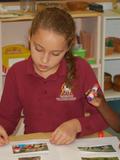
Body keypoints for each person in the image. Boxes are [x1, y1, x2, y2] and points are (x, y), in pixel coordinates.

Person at [0, 7, 107, 146]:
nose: (44, 60)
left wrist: (76, 126)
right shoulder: (16, 73)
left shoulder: (81, 70)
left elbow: (103, 116)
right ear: (29, 38)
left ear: (68, 48)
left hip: (71, 147)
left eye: (55, 53)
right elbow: (6, 119)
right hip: (35, 147)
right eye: (38, 48)